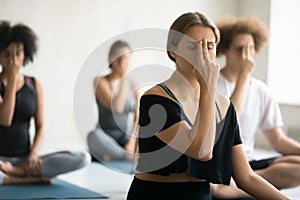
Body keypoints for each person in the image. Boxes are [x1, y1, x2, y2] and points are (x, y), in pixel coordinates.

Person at [126, 12, 288, 200]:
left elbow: (246, 177)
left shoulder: (225, 106)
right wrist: (208, 87)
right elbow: (201, 151)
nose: (202, 53)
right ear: (172, 50)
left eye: (209, 46)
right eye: (192, 46)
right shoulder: (155, 99)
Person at [210, 16, 300, 198]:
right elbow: (227, 124)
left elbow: (278, 140)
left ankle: (247, 182)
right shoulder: (213, 83)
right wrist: (243, 76)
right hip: (222, 162)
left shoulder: (261, 90)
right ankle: (243, 182)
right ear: (225, 50)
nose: (246, 55)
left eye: (250, 49)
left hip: (249, 164)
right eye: (240, 49)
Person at [0, 21, 90, 185]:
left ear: (25, 54)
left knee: (83, 158)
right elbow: (5, 119)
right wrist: (12, 77)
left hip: (24, 159)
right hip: (0, 161)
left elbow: (40, 126)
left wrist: (33, 155)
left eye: (18, 53)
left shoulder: (34, 84)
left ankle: (17, 173)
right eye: (7, 54)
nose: (13, 60)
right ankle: (18, 179)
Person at [87, 40, 139, 161]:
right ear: (111, 59)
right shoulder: (100, 81)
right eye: (118, 58)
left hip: (125, 138)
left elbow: (138, 117)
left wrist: (131, 142)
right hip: (105, 137)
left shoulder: (134, 85)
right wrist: (123, 78)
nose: (122, 62)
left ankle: (117, 155)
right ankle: (125, 156)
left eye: (126, 58)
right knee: (93, 136)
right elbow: (117, 107)